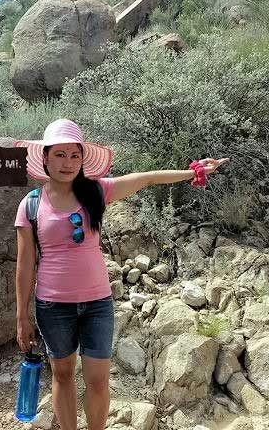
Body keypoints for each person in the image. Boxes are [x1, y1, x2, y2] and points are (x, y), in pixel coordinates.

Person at [13, 118, 229, 430]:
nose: (68, 163)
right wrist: (22, 317)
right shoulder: (31, 205)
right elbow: (24, 264)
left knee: (98, 381)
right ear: (45, 157)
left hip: (98, 303)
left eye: (75, 155)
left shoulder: (96, 191)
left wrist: (194, 171)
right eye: (59, 155)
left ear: (83, 159)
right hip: (53, 306)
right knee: (62, 375)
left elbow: (148, 178)